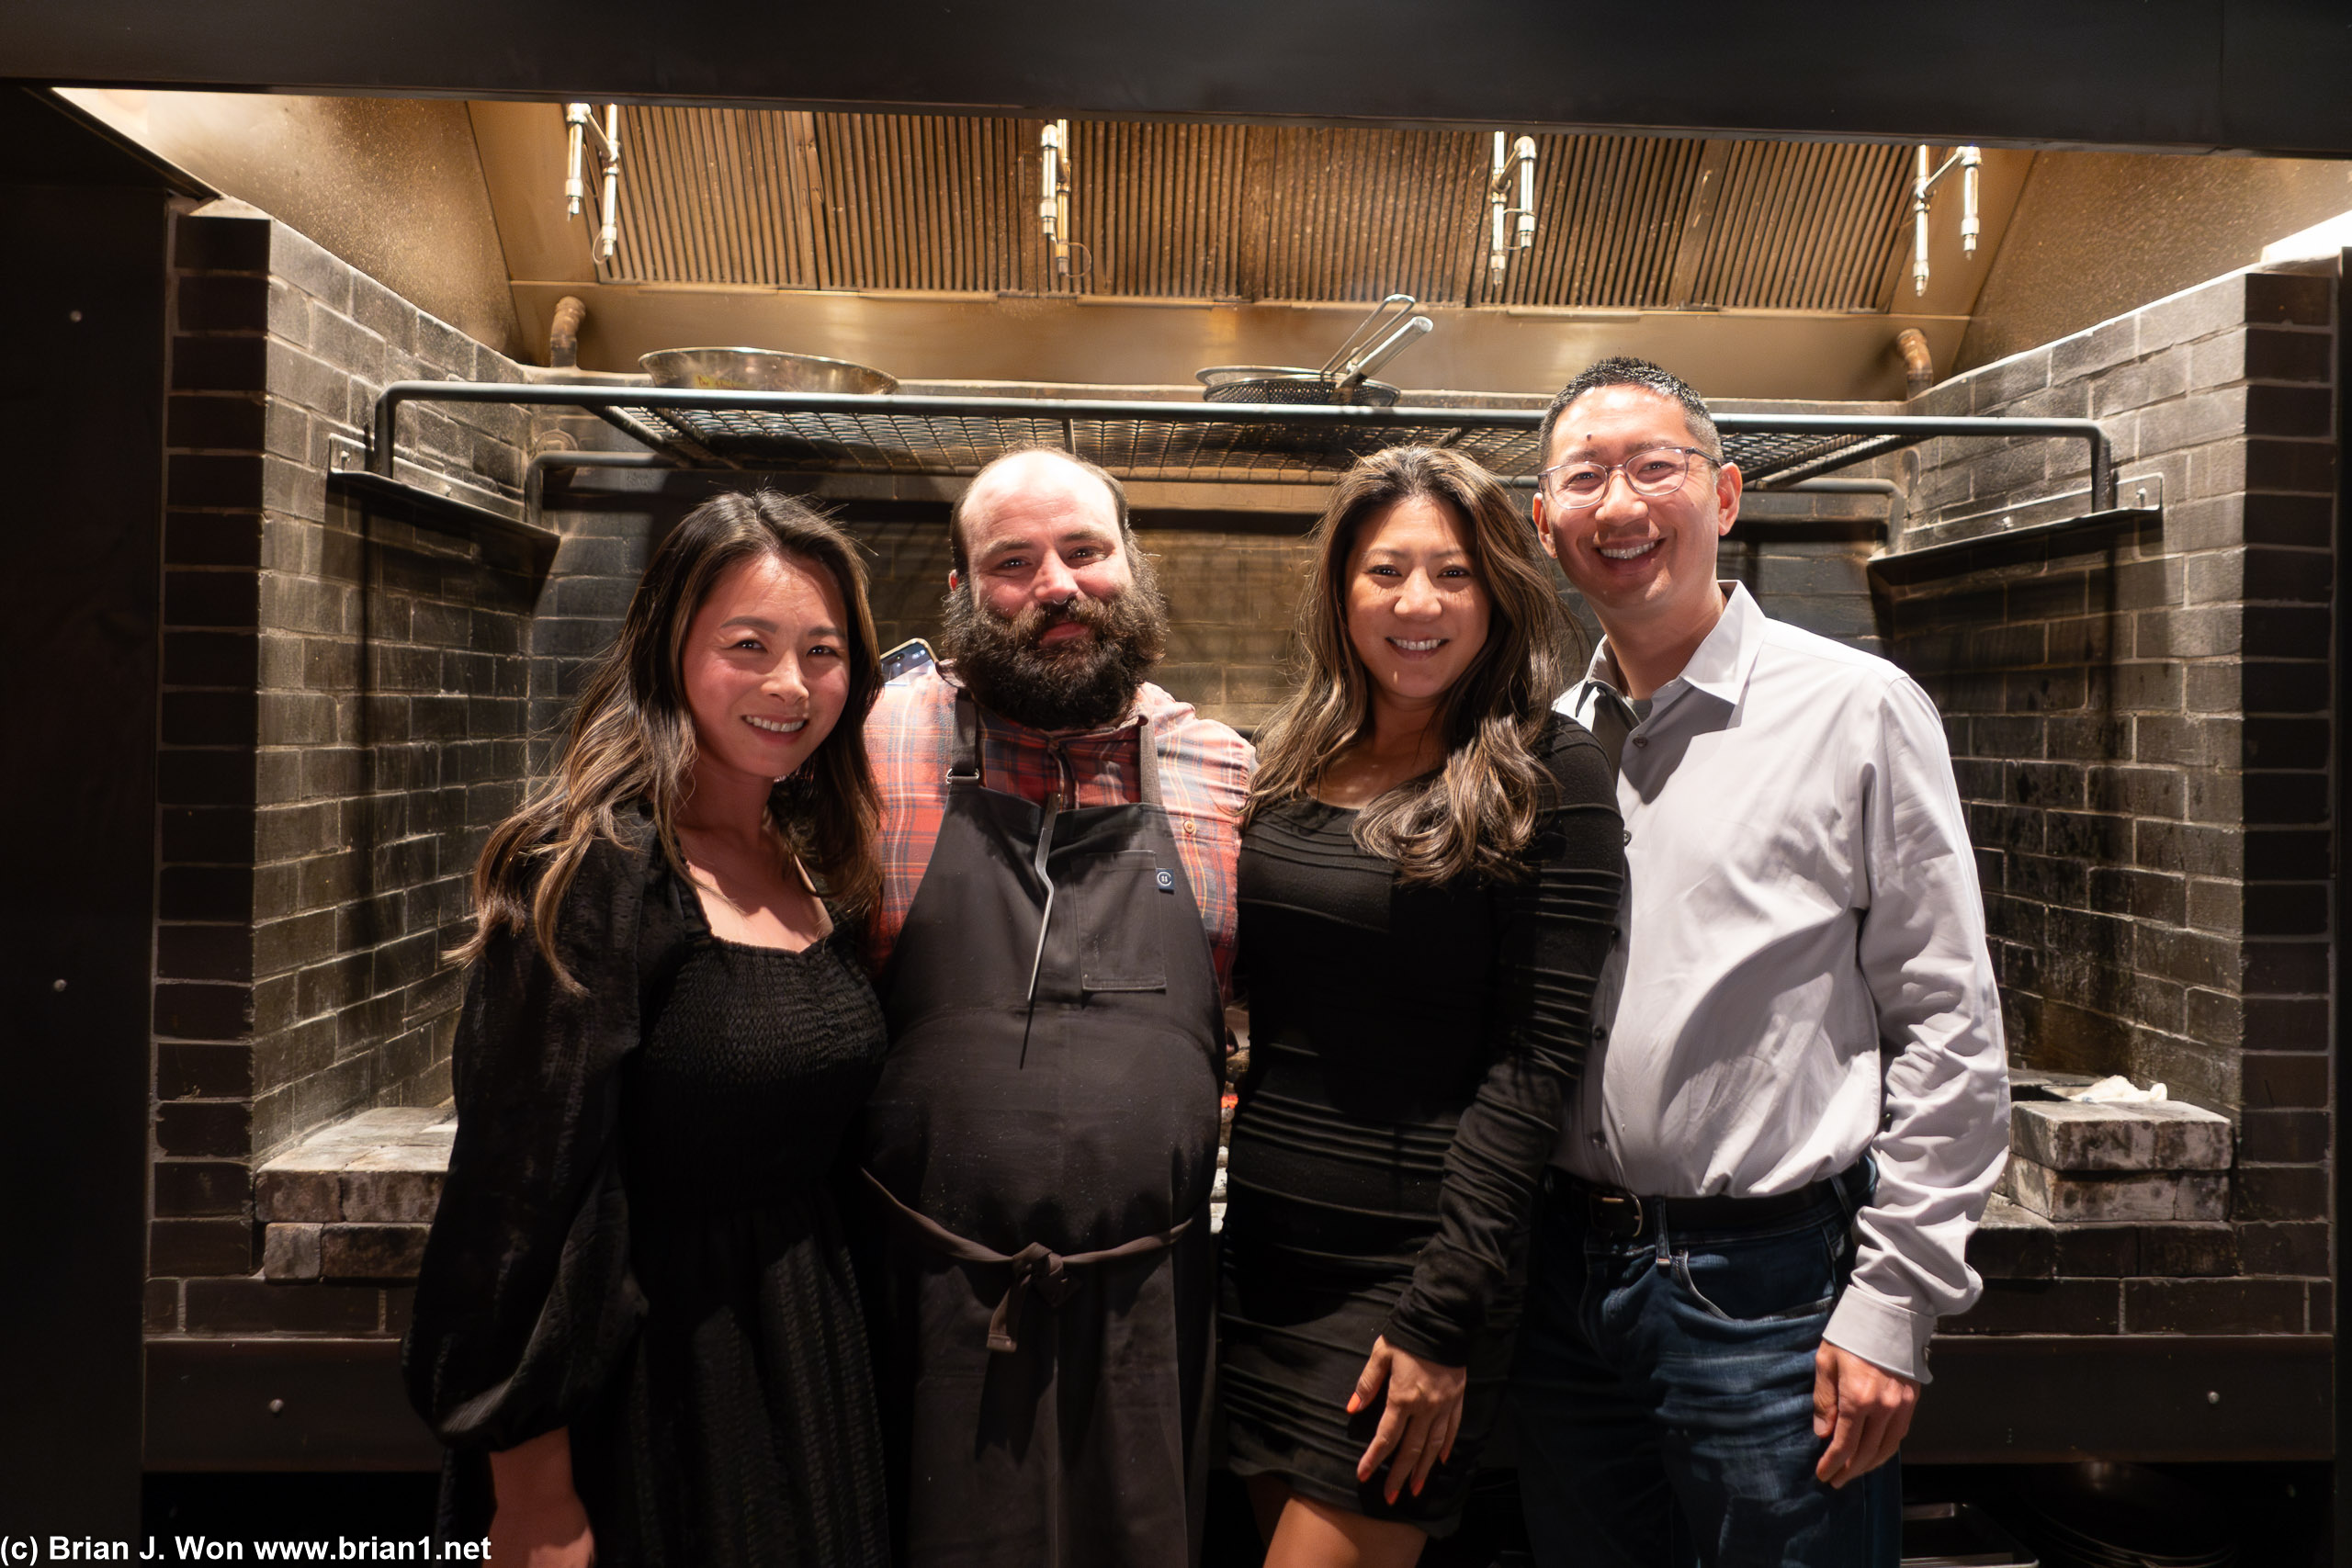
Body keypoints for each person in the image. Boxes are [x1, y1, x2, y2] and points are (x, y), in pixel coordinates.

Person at [1510, 356, 2010, 1567]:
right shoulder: (1543, 736)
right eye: (1585, 477)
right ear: (1544, 523)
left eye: (1655, 467)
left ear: (1725, 495)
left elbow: (1948, 1016)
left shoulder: (1855, 705)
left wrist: (1896, 1300)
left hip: (1768, 1285)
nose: (1619, 504)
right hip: (1561, 1279)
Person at [404, 491, 893, 1568]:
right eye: (747, 646)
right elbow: (514, 1209)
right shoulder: (594, 869)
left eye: (821, 652)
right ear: (668, 649)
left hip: (802, 1356)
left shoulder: (813, 859)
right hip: (647, 1395)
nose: (789, 684)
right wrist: (534, 1499)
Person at [1218, 446, 1623, 1568]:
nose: (1417, 604)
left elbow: (1536, 1064)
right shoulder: (1296, 754)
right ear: (1340, 589)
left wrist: (1441, 1314)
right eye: (1385, 571)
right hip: (1262, 1258)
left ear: (1497, 590)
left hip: (1409, 1273)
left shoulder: (1548, 770)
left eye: (1451, 574)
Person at [852, 446, 1253, 1567]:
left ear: (1131, 562)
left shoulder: (1218, 770)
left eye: (1084, 550)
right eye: (1013, 563)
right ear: (961, 595)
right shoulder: (867, 750)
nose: (1057, 585)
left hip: (1153, 1315)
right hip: (924, 1316)